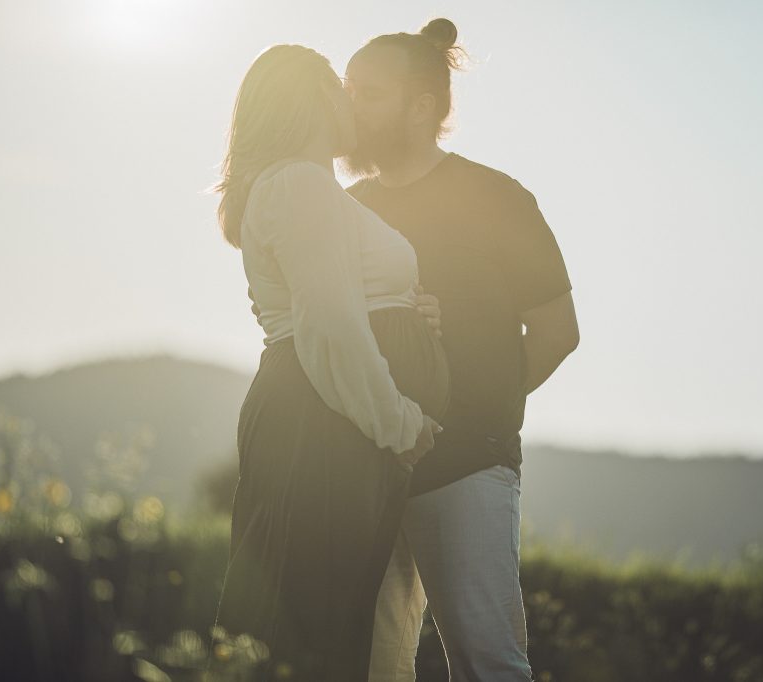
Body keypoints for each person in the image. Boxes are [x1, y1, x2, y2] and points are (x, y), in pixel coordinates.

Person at [343, 18, 580, 682]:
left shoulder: (498, 199)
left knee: (486, 665)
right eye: (347, 89)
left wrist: (477, 410)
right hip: (365, 474)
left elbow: (560, 332)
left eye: (368, 92)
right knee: (369, 668)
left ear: (422, 107)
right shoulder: (346, 209)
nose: (348, 106)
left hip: (468, 467)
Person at [208, 44, 450, 681]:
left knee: (323, 623)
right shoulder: (298, 183)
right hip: (320, 419)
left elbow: (348, 304)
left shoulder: (309, 187)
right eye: (339, 87)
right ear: (312, 99)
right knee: (308, 627)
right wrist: (400, 424)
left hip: (324, 414)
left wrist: (409, 312)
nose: (352, 101)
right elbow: (331, 328)